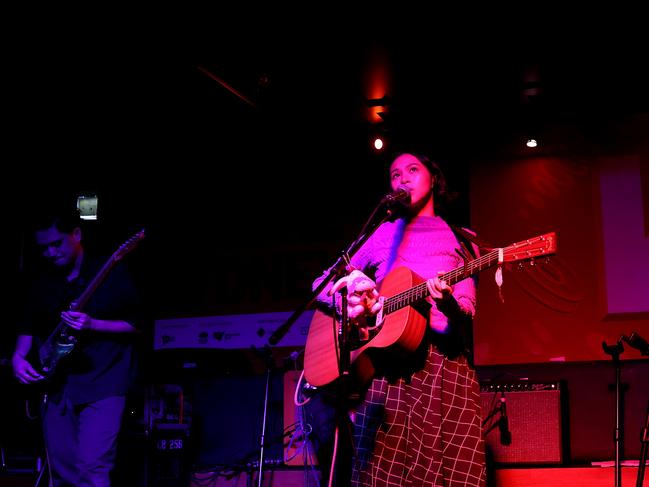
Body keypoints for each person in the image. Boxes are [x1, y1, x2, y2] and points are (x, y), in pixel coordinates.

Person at [309, 151, 486, 486]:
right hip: (387, 371)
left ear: (433, 178)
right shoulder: (381, 234)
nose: (402, 178)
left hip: (443, 370)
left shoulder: (463, 239)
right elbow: (322, 283)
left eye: (413, 169)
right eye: (394, 174)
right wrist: (352, 304)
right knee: (381, 474)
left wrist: (446, 304)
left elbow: (467, 307)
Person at [11, 202, 144, 487]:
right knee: (62, 473)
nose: (50, 253)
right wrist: (19, 358)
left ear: (77, 234)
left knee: (92, 468)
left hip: (104, 382)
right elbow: (27, 324)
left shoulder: (110, 272)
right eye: (43, 248)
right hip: (57, 385)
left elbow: (137, 324)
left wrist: (93, 324)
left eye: (57, 244)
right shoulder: (42, 282)